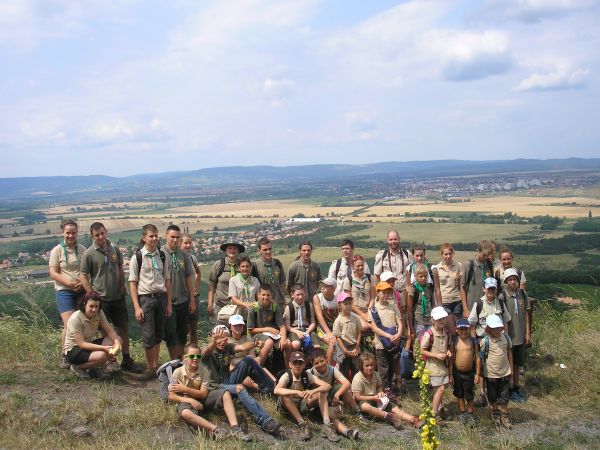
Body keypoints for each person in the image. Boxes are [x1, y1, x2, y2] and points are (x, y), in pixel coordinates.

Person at [80, 222, 143, 373]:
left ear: (106, 232)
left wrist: (122, 284)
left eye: (102, 233)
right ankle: (111, 361)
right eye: (97, 235)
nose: (101, 237)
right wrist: (92, 296)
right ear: (92, 236)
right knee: (106, 332)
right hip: (102, 300)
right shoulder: (89, 254)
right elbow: (83, 277)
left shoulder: (114, 249)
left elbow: (120, 267)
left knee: (123, 329)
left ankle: (126, 359)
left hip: (118, 297)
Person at [200, 326, 281, 435]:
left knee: (248, 360)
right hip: (216, 386)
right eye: (219, 338)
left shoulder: (227, 347)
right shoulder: (207, 350)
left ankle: (271, 391)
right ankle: (264, 420)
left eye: (225, 338)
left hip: (228, 381)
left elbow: (242, 347)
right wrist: (213, 342)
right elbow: (205, 351)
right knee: (239, 388)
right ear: (213, 337)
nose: (222, 341)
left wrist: (254, 344)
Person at [167, 343, 251, 442]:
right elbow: (171, 396)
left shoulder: (204, 371)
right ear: (185, 358)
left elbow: (203, 394)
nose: (195, 358)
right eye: (192, 356)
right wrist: (190, 400)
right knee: (185, 413)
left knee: (226, 393)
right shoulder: (177, 372)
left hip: (203, 398)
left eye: (198, 356)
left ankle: (236, 429)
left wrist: (184, 389)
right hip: (186, 401)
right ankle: (217, 430)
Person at [128, 224, 173, 376]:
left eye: (155, 236)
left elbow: (167, 279)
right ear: (144, 238)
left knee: (159, 333)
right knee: (148, 335)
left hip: (161, 297)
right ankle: (150, 367)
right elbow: (133, 283)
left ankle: (156, 365)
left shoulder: (162, 255)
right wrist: (136, 307)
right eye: (151, 236)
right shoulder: (137, 257)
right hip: (146, 299)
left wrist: (168, 303)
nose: (154, 238)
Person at [274, 350, 340, 442]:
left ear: (304, 364)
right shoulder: (287, 375)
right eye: (295, 363)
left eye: (300, 363)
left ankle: (327, 425)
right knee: (285, 395)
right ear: (290, 364)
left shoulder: (307, 375)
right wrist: (296, 392)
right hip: (287, 407)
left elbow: (327, 386)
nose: (297, 365)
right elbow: (276, 390)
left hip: (301, 404)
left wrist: (313, 391)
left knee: (322, 392)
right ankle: (302, 424)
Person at [49, 219, 87, 369]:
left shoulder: (82, 249)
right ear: (62, 233)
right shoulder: (57, 250)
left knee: (83, 323)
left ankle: (79, 353)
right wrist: (69, 283)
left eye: (73, 232)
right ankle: (65, 355)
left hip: (81, 289)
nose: (71, 235)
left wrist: (82, 282)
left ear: (77, 233)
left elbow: (87, 270)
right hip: (64, 291)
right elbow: (52, 272)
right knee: (69, 323)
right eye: (68, 233)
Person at [468, 277, 511, 406]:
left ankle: (496, 392)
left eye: (493, 288)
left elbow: (505, 321)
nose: (491, 291)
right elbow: (472, 324)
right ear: (484, 289)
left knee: (497, 365)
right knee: (481, 366)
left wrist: (506, 337)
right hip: (483, 340)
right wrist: (474, 341)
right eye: (489, 288)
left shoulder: (501, 303)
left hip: (499, 340)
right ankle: (482, 393)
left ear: (496, 289)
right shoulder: (479, 304)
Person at [351, 352, 420, 429]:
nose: (370, 368)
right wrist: (373, 398)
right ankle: (388, 416)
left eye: (371, 365)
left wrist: (380, 391)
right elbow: (358, 397)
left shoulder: (375, 374)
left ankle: (412, 419)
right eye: (367, 366)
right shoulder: (357, 378)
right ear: (361, 366)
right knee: (365, 406)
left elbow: (379, 386)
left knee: (393, 407)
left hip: (376, 398)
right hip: (364, 400)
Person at [63, 291, 122, 379]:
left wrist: (117, 343)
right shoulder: (76, 318)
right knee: (102, 355)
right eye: (91, 306)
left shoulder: (99, 313)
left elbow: (108, 329)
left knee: (118, 339)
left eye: (96, 306)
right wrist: (104, 348)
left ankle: (93, 367)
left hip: (88, 344)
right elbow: (81, 344)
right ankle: (78, 367)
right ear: (84, 304)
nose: (94, 309)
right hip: (74, 350)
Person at [309, 348, 366, 428]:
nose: (320, 364)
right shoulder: (310, 373)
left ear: (326, 358)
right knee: (332, 412)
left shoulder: (332, 369)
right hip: (319, 401)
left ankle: (357, 411)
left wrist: (337, 395)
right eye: (316, 363)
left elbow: (347, 383)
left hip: (330, 396)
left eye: (322, 361)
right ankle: (324, 418)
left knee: (343, 388)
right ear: (312, 363)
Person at [163, 225, 196, 360]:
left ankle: (181, 358)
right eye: (172, 237)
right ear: (166, 236)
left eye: (177, 237)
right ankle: (173, 361)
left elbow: (188, 277)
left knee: (182, 332)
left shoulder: (183, 255)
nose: (175, 240)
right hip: (168, 301)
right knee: (170, 333)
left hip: (183, 299)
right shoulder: (161, 254)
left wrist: (192, 299)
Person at [498, 268, 531, 403]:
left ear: (518, 280)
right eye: (510, 280)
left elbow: (526, 315)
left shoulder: (522, 294)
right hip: (509, 336)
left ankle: (516, 386)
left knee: (518, 363)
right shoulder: (502, 297)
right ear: (506, 281)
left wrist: (527, 332)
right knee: (509, 364)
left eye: (514, 279)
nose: (512, 282)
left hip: (520, 335)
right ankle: (509, 388)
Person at [369, 281, 404, 402]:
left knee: (392, 365)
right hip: (381, 344)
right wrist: (388, 335)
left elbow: (399, 322)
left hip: (393, 342)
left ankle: (389, 386)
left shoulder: (393, 306)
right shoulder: (373, 309)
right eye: (383, 292)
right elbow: (374, 328)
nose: (385, 295)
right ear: (377, 293)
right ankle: (385, 389)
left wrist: (398, 334)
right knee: (383, 367)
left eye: (388, 292)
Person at [480, 314, 513, 429]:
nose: (497, 330)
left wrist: (511, 372)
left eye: (498, 328)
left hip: (504, 373)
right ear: (489, 328)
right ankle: (495, 413)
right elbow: (481, 358)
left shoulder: (506, 339)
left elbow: (509, 354)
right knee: (492, 396)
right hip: (491, 375)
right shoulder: (485, 341)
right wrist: (480, 376)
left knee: (504, 397)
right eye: (494, 328)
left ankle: (505, 415)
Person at [420, 306, 451, 420]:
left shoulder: (446, 332)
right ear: (433, 320)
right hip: (433, 367)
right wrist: (436, 355)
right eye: (439, 319)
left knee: (438, 390)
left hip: (443, 366)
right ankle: (434, 414)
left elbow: (447, 346)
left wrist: (448, 352)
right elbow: (422, 350)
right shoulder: (429, 334)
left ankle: (439, 408)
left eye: (443, 318)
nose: (442, 321)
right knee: (440, 389)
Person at [227, 314, 276, 387]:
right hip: (234, 370)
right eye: (235, 325)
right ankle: (263, 389)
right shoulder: (227, 341)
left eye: (240, 325)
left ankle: (275, 386)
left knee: (269, 376)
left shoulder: (247, 339)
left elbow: (252, 358)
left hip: (248, 366)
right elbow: (228, 364)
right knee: (254, 384)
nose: (238, 327)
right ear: (230, 327)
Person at [247, 285, 287, 366]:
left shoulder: (274, 306)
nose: (266, 297)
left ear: (271, 295)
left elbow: (282, 326)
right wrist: (268, 329)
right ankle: (258, 367)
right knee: (269, 342)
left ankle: (288, 368)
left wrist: (284, 338)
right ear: (258, 294)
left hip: (274, 334)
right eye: (263, 295)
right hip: (257, 334)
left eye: (268, 295)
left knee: (288, 343)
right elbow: (250, 330)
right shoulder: (253, 308)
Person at [451, 318, 480, 426]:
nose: (463, 332)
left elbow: (477, 356)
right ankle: (463, 413)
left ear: (469, 329)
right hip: (457, 373)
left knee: (469, 394)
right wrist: (450, 374)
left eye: (465, 329)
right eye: (461, 329)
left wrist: (477, 373)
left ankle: (470, 413)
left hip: (469, 373)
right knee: (459, 394)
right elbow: (451, 359)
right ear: (456, 330)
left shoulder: (472, 341)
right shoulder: (455, 341)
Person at [434, 243, 468, 335]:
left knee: (459, 327)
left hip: (457, 300)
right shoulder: (437, 268)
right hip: (444, 301)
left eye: (450, 253)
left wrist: (463, 304)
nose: (448, 256)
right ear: (441, 255)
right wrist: (440, 305)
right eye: (445, 254)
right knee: (449, 328)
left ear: (453, 253)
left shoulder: (459, 266)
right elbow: (437, 288)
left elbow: (461, 285)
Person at [283, 284, 320, 362]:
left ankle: (305, 363)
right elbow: (287, 326)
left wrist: (308, 331)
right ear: (292, 295)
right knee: (296, 344)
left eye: (302, 294)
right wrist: (297, 332)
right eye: (298, 295)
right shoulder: (289, 307)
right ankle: (296, 360)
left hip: (307, 329)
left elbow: (313, 323)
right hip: (295, 329)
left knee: (317, 346)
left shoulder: (309, 305)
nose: (300, 297)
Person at [208, 241, 244, 323]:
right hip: (220, 305)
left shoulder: (242, 265)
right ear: (226, 250)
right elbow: (212, 285)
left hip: (238, 305)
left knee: (237, 331)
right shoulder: (218, 265)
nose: (232, 250)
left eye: (235, 248)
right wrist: (210, 304)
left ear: (238, 251)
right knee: (220, 331)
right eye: (230, 248)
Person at [332, 293, 361, 379]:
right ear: (340, 305)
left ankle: (356, 388)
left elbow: (359, 332)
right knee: (344, 370)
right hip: (344, 347)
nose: (348, 306)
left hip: (354, 347)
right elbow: (338, 337)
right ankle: (345, 390)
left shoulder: (355, 318)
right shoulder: (338, 320)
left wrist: (356, 347)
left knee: (356, 370)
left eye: (349, 303)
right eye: (345, 304)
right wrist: (344, 350)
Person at [252, 237, 287, 308]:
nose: (268, 252)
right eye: (265, 250)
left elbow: (282, 282)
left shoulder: (277, 263)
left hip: (278, 303)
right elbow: (254, 287)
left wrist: (282, 297)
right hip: (264, 304)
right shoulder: (255, 266)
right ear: (259, 251)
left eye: (270, 249)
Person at [343, 255, 375, 332]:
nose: (360, 268)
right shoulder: (349, 280)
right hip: (354, 310)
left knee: (376, 322)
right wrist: (362, 314)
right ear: (353, 266)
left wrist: (369, 310)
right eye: (358, 266)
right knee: (365, 326)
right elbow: (348, 302)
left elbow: (373, 297)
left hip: (368, 309)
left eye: (362, 265)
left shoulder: (370, 278)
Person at [463, 240, 497, 311]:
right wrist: (465, 309)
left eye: (487, 256)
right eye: (484, 255)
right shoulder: (469, 265)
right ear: (478, 251)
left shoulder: (489, 264)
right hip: (472, 306)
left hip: (487, 306)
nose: (486, 257)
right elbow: (462, 287)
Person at [312, 277, 339, 365]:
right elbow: (319, 316)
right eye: (323, 285)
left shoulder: (338, 299)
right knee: (333, 343)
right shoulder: (317, 297)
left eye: (326, 286)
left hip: (335, 328)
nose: (322, 287)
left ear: (333, 289)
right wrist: (329, 333)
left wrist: (336, 332)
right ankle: (328, 367)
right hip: (321, 329)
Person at [180, 233, 201, 345]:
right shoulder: (177, 258)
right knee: (183, 329)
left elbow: (198, 272)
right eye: (185, 243)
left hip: (194, 297)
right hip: (182, 297)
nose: (188, 245)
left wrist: (196, 287)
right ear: (180, 243)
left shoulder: (193, 258)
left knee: (193, 329)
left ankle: (194, 352)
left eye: (190, 243)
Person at [407, 263, 435, 340]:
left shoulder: (430, 287)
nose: (423, 278)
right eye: (420, 276)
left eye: (425, 276)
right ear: (415, 277)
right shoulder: (413, 289)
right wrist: (411, 326)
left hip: (429, 320)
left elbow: (433, 304)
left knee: (429, 341)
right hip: (418, 320)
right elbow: (409, 309)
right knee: (419, 342)